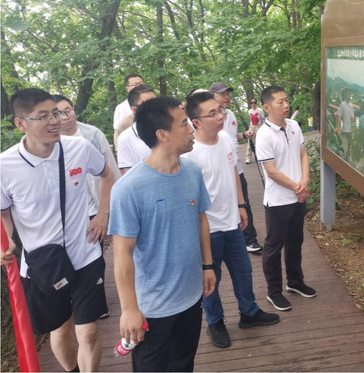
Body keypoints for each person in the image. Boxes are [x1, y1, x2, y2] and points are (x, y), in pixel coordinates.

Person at [1, 88, 114, 372]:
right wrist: (5, 241)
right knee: (61, 331)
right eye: (43, 116)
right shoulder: (5, 165)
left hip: (86, 254)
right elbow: (3, 212)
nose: (54, 121)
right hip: (44, 266)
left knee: (88, 332)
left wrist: (102, 214)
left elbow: (107, 175)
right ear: (20, 123)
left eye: (56, 113)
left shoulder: (79, 148)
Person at [108, 96, 216, 372]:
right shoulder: (129, 188)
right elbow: (122, 252)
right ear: (162, 135)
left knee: (183, 364)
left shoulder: (192, 171)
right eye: (184, 124)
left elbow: (201, 219)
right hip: (153, 308)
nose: (192, 128)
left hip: (191, 296)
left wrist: (208, 266)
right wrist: (129, 309)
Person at [182, 92, 279, 348]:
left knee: (243, 271)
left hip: (232, 222)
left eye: (220, 110)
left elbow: (234, 171)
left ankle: (249, 313)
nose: (220, 116)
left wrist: (241, 205)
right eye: (212, 113)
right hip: (208, 230)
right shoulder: (190, 155)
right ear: (196, 122)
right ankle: (215, 322)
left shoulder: (225, 138)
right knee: (211, 280)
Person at [54, 94, 120, 319]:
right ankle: (74, 301)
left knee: (94, 254)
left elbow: (111, 171)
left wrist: (106, 210)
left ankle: (97, 305)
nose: (66, 116)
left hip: (93, 207)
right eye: (59, 113)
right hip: (66, 212)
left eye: (68, 110)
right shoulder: (49, 142)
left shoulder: (91, 135)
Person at [255, 86, 316, 311]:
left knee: (295, 241)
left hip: (298, 196)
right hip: (278, 201)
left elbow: (303, 155)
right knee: (273, 247)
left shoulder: (294, 126)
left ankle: (295, 282)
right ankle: (274, 292)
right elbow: (271, 171)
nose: (286, 105)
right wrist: (296, 187)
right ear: (267, 107)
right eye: (280, 102)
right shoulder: (264, 135)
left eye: (286, 100)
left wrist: (305, 181)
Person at [209, 82, 262, 253]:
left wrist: (244, 135)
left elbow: (233, 137)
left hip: (236, 168)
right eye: (222, 94)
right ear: (212, 96)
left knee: (244, 203)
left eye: (228, 94)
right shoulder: (207, 118)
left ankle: (250, 240)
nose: (227, 97)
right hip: (218, 171)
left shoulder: (230, 114)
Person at [116, 85, 156, 174]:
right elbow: (127, 174)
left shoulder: (171, 129)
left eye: (157, 103)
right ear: (134, 109)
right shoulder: (125, 138)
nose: (155, 107)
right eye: (148, 104)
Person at [113, 74, 144, 150]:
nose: (139, 87)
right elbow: (117, 131)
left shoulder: (153, 102)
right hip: (132, 147)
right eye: (135, 84)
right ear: (127, 89)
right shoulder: (121, 108)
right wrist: (118, 150)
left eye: (141, 84)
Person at [245, 97, 265, 164]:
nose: (253, 104)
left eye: (254, 102)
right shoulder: (249, 111)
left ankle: (259, 157)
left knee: (258, 142)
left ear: (256, 103)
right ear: (250, 104)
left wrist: (263, 128)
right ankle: (248, 157)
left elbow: (263, 119)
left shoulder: (260, 111)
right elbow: (250, 120)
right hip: (252, 127)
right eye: (251, 103)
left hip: (258, 127)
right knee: (250, 142)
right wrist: (250, 128)